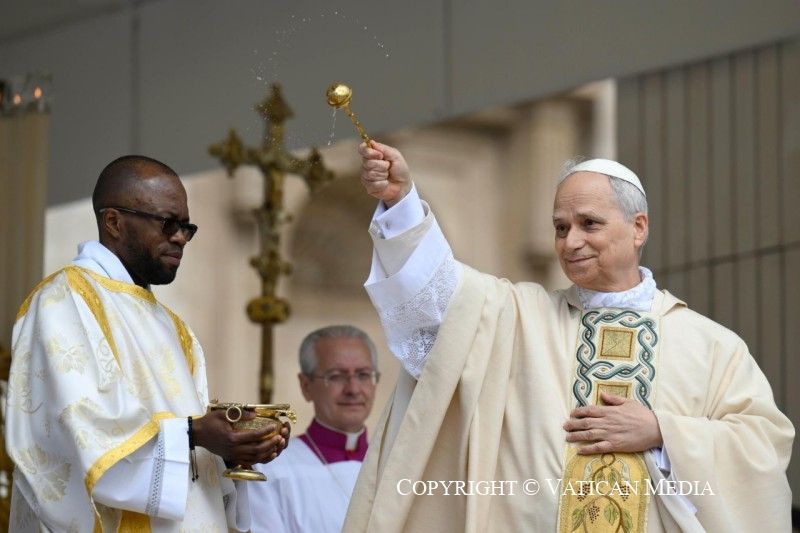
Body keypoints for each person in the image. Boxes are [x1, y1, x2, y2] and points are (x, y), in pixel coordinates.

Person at [343, 142, 794, 532]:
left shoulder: (711, 345)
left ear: (638, 228)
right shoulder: (519, 316)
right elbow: (439, 298)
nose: (570, 241)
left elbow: (763, 446)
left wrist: (661, 431)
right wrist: (402, 204)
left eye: (589, 224)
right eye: (561, 227)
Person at [5, 155, 289, 532]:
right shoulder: (64, 300)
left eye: (187, 227)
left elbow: (191, 455)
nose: (180, 237)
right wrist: (196, 432)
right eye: (168, 223)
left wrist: (235, 450)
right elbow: (83, 432)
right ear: (114, 222)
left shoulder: (174, 328)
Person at [249, 325, 379, 532]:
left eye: (363, 375)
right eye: (336, 376)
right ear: (305, 386)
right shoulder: (269, 468)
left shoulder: (394, 467)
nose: (353, 389)